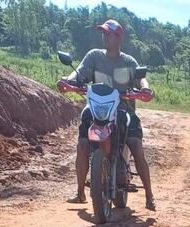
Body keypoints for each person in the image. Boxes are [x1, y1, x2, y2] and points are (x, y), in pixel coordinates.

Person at [58, 19, 156, 211]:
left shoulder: (129, 62)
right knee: (82, 144)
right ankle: (80, 192)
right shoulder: (94, 56)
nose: (105, 36)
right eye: (103, 33)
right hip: (96, 108)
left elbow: (142, 80)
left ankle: (149, 195)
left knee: (136, 145)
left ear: (119, 38)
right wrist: (68, 82)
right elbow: (78, 74)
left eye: (108, 34)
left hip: (122, 109)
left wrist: (145, 89)